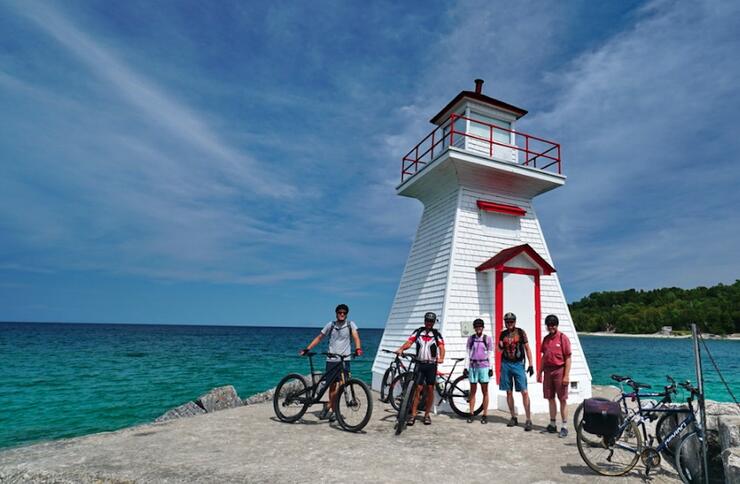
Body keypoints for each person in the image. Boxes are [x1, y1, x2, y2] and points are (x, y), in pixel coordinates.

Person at [300, 304, 362, 422]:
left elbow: (356, 337)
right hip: (332, 360)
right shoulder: (331, 325)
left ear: (346, 314)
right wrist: (307, 349)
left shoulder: (350, 324)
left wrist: (358, 348)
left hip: (345, 359)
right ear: (336, 313)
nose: (342, 314)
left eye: (344, 313)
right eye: (340, 312)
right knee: (332, 386)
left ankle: (330, 405)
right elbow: (319, 337)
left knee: (344, 383)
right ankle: (333, 409)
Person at [395, 311, 445, 426]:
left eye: (431, 321)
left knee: (431, 389)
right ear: (424, 321)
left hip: (431, 365)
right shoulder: (418, 332)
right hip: (420, 364)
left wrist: (442, 358)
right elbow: (409, 342)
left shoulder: (436, 334)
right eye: (427, 320)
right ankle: (413, 415)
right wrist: (401, 349)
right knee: (418, 389)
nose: (429, 323)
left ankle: (427, 415)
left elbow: (442, 347)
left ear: (433, 323)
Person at [498, 312, 534, 431]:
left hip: (518, 364)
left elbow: (527, 348)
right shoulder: (502, 334)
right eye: (507, 322)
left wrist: (531, 364)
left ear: (515, 322)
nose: (509, 324)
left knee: (524, 391)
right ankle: (513, 417)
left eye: (511, 321)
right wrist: (500, 346)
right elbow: (499, 349)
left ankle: (528, 419)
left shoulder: (520, 332)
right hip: (506, 364)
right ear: (505, 322)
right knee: (508, 392)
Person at [539, 314, 572, 438]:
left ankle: (564, 426)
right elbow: (544, 357)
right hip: (548, 372)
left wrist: (566, 375)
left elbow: (568, 358)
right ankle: (552, 424)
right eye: (549, 325)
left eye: (553, 324)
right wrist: (539, 372)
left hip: (560, 370)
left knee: (562, 399)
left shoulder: (563, 338)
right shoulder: (546, 339)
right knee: (550, 398)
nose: (551, 327)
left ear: (556, 325)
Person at [466, 318, 493, 424]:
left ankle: (485, 414)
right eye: (476, 326)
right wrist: (465, 367)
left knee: (485, 391)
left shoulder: (487, 339)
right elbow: (467, 353)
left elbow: (491, 354)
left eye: (480, 326)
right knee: (472, 391)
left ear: (483, 327)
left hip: (484, 366)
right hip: (473, 366)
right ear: (474, 328)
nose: (478, 328)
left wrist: (491, 368)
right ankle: (471, 413)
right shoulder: (471, 339)